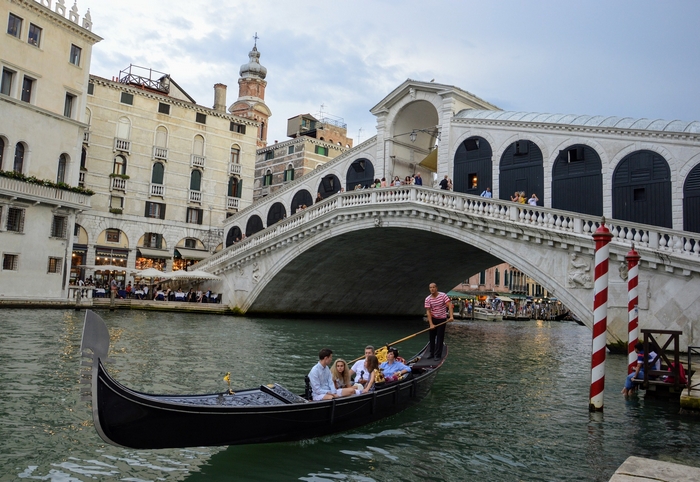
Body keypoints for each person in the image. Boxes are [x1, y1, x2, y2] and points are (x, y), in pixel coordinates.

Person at [424, 282, 454, 359]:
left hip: (442, 319)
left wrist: (451, 316)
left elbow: (449, 305)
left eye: (433, 287)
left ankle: (438, 355)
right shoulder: (428, 299)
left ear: (436, 288)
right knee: (432, 337)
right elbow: (428, 311)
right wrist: (431, 324)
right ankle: (432, 353)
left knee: (440, 337)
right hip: (433, 319)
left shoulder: (443, 295)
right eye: (430, 288)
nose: (432, 289)